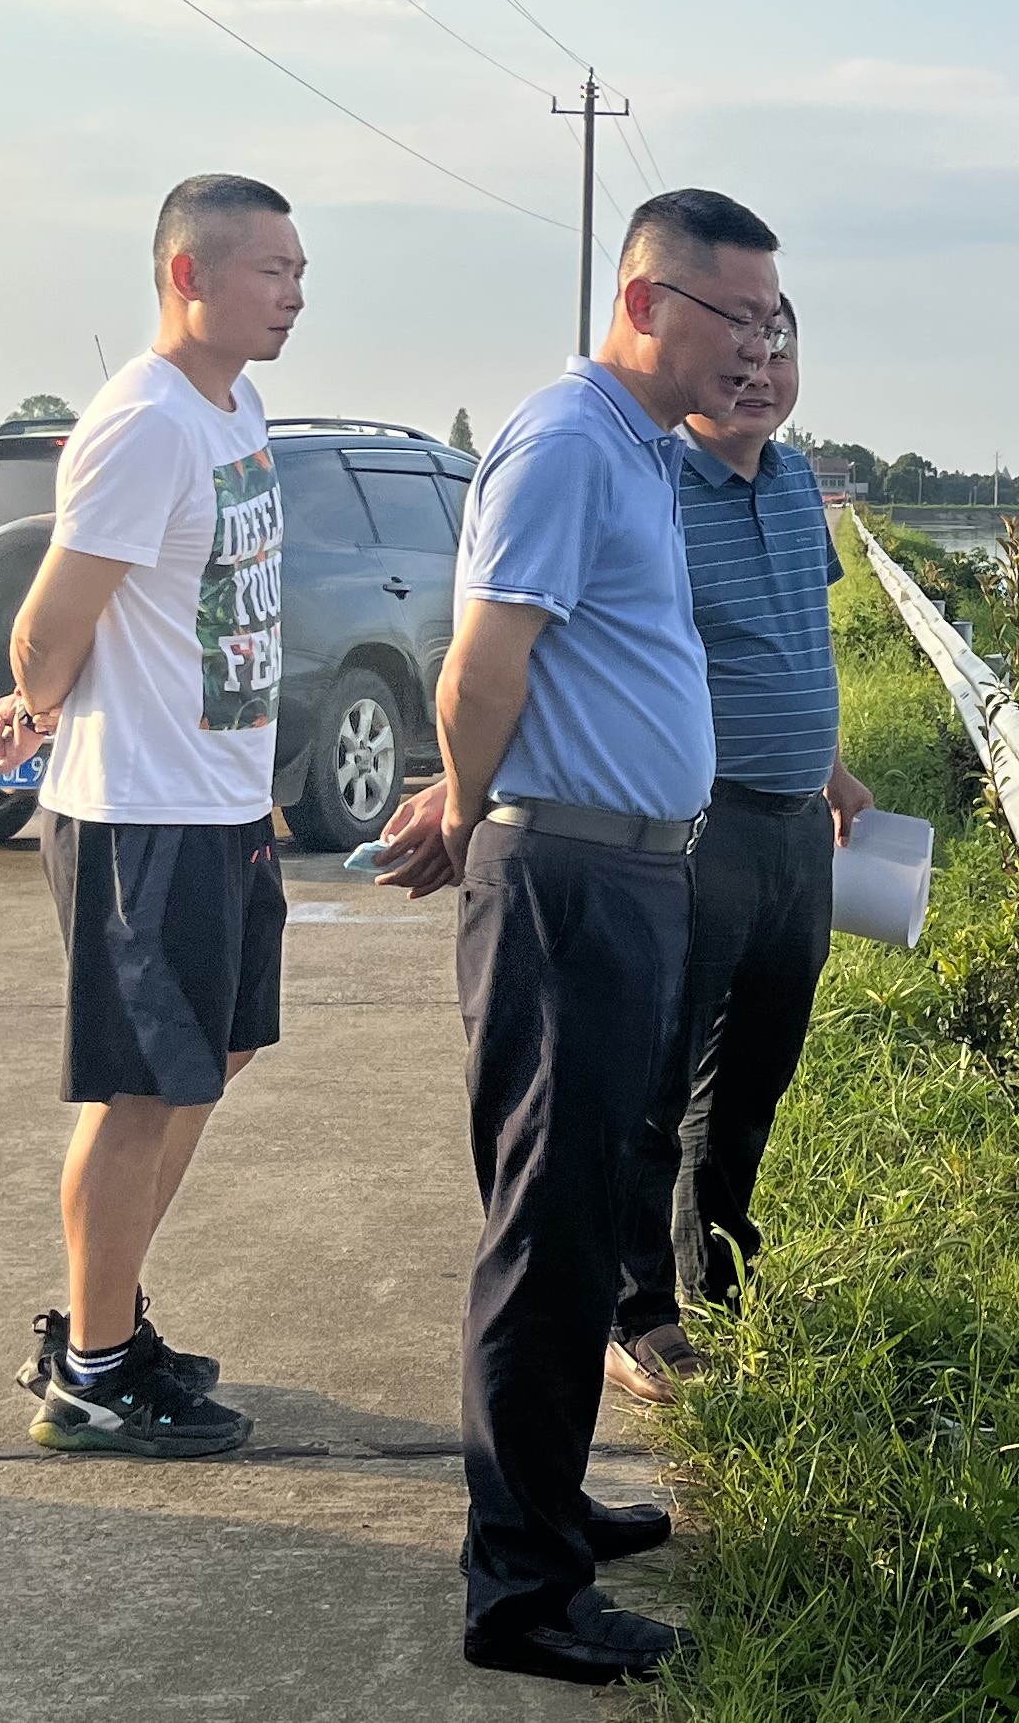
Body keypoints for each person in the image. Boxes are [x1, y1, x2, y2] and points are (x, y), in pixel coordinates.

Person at [372, 188, 787, 1685]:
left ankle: (548, 1506)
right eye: (736, 317)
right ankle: (524, 1593)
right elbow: (484, 663)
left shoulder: (637, 450)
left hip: (632, 876)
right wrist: (466, 802)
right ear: (646, 303)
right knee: (548, 1232)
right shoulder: (562, 441)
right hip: (568, 880)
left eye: (771, 323)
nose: (756, 349)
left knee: (596, 1200)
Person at [0, 173, 301, 1459]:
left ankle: (101, 1319)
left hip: (221, 802)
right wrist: (35, 702)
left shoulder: (235, 406)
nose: (294, 294)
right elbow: (47, 623)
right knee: (139, 1093)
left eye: (300, 272)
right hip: (139, 816)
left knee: (215, 1059)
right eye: (272, 270)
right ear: (189, 275)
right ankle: (95, 1374)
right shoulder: (145, 423)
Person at [605, 304, 870, 1406]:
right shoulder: (658, 483)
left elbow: (798, 638)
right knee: (659, 1074)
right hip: (697, 822)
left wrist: (833, 769)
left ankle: (714, 1282)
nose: (762, 370)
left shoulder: (800, 483)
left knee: (754, 1073)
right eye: (746, 348)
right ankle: (635, 1312)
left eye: (783, 349)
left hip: (798, 826)